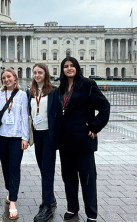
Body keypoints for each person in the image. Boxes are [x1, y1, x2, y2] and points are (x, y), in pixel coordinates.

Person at [58, 57, 110, 222]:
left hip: (83, 140)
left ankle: (91, 213)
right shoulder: (61, 88)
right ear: (62, 69)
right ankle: (72, 208)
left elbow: (104, 106)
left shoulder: (87, 84)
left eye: (72, 65)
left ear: (77, 67)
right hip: (65, 140)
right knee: (69, 178)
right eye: (66, 66)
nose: (69, 68)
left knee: (87, 179)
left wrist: (95, 126)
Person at [0, 68, 29, 220]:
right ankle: (10, 190)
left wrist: (25, 138)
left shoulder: (22, 95)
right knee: (5, 165)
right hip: (1, 135)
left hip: (16, 136)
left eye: (9, 76)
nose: (6, 79)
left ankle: (13, 200)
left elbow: (25, 117)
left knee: (14, 167)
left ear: (15, 78)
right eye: (4, 77)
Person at [27, 63, 62, 222]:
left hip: (49, 134)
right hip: (37, 134)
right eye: (35, 72)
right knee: (43, 167)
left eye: (40, 72)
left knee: (47, 169)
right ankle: (51, 198)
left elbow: (60, 114)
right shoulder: (31, 92)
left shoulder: (54, 91)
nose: (37, 75)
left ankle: (46, 206)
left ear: (45, 74)